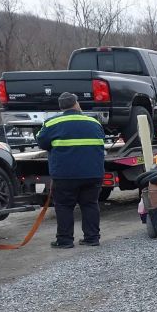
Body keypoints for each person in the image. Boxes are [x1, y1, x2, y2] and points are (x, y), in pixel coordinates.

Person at [36, 92, 106, 248]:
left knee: (64, 206)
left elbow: (41, 141)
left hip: (65, 175)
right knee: (90, 204)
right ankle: (92, 238)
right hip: (93, 173)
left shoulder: (51, 123)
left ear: (61, 107)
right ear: (76, 104)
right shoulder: (94, 122)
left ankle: (65, 240)